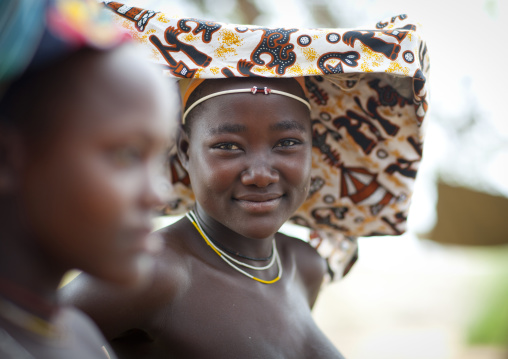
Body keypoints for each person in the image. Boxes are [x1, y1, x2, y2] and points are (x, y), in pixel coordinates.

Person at [62, 3, 430, 358]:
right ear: (186, 151)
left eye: (287, 143)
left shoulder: (304, 266)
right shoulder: (152, 272)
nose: (260, 174)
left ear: (314, 149)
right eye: (228, 146)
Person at [0, 0, 178, 357]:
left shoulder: (78, 334)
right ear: (6, 159)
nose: (159, 195)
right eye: (128, 155)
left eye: (160, 158)